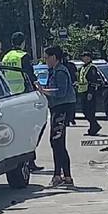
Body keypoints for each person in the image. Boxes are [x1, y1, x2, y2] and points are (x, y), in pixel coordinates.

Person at [35, 46, 76, 187]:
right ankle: (61, 175)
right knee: (56, 142)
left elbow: (61, 92)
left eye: (46, 57)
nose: (45, 60)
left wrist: (44, 91)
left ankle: (62, 175)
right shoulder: (53, 71)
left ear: (54, 57)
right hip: (56, 108)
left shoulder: (61, 71)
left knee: (57, 141)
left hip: (62, 108)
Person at [2, 32, 42, 171]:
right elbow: (30, 75)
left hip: (8, 97)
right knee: (28, 131)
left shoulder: (6, 57)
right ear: (23, 42)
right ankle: (29, 161)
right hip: (23, 96)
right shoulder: (23, 56)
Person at [78, 52, 102, 136]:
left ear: (89, 58)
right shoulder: (83, 67)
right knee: (85, 111)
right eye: (83, 57)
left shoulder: (92, 68)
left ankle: (94, 127)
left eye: (85, 57)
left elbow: (93, 81)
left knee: (90, 111)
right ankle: (94, 126)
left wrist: (90, 93)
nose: (83, 58)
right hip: (83, 91)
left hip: (89, 92)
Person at [62, 52, 78, 126]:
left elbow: (76, 74)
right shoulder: (61, 66)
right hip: (65, 86)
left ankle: (71, 118)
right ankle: (67, 119)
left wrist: (76, 82)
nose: (66, 58)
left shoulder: (71, 65)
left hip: (72, 85)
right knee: (66, 104)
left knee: (71, 104)